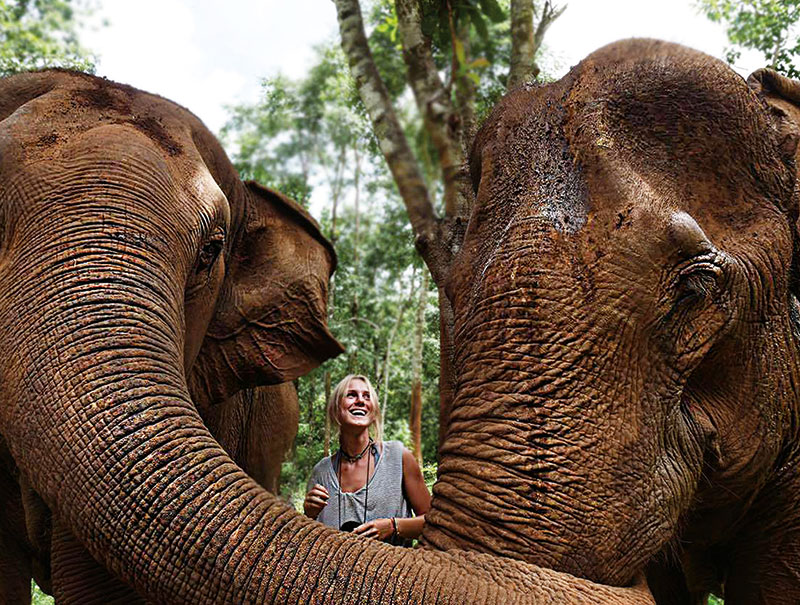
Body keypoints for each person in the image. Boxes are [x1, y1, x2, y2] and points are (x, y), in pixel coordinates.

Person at [303, 374, 431, 544]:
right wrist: (309, 515)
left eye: (367, 396)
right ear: (335, 409)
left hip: (393, 569)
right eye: (351, 395)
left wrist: (393, 526)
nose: (360, 401)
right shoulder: (321, 471)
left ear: (374, 411)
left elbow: (433, 523)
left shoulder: (398, 457)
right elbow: (311, 542)